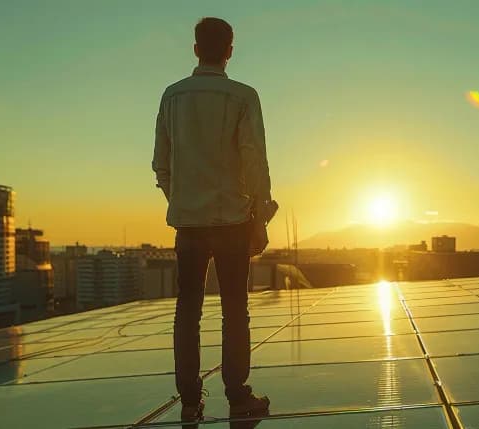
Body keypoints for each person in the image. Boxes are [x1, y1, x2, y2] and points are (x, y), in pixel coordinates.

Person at [152, 17, 274, 423]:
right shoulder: (243, 96)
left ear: (195, 49)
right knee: (235, 309)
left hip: (188, 224)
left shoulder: (172, 96)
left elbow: (161, 165)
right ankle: (237, 395)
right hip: (232, 222)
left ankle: (189, 399)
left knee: (188, 310)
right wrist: (260, 213)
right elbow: (253, 158)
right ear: (230, 50)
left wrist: (183, 199)